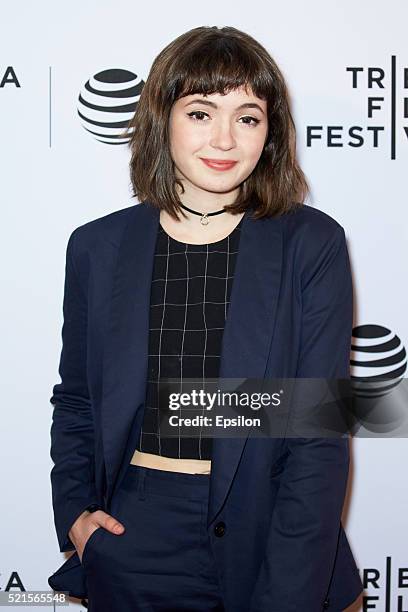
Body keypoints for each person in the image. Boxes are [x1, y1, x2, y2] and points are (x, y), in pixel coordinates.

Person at [48, 25, 363, 611]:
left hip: (274, 530)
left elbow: (317, 433)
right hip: (132, 534)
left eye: (248, 117)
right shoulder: (98, 246)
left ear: (269, 134)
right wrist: (74, 515)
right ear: (162, 120)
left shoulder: (309, 244)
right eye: (200, 112)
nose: (225, 138)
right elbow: (75, 401)